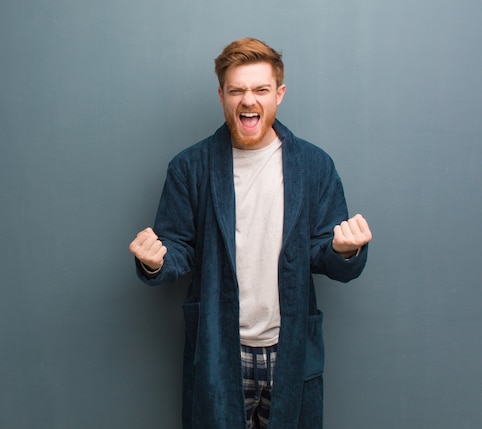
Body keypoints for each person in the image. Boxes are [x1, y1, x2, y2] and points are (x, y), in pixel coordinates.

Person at [128, 37, 372, 429]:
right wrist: (155, 261)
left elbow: (327, 254)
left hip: (288, 346)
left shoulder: (314, 165)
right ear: (222, 95)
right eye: (237, 90)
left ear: (279, 94)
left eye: (260, 89)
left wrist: (344, 251)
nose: (248, 100)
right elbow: (176, 247)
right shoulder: (190, 166)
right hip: (219, 346)